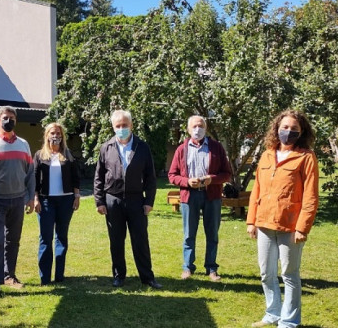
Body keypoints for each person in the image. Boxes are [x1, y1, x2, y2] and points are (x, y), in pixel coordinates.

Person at [246, 110, 319, 328]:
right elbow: (256, 189)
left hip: (290, 225)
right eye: (285, 127)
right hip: (264, 223)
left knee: (289, 274)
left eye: (294, 129)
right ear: (277, 129)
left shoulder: (306, 157)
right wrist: (251, 221)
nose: (288, 132)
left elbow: (311, 195)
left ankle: (289, 321)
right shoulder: (268, 154)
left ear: (302, 132)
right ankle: (272, 313)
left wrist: (302, 227)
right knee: (266, 273)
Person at [94, 110, 162, 289]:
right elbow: (99, 177)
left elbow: (150, 177)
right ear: (113, 127)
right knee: (116, 240)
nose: (122, 128)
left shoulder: (142, 147)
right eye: (118, 126)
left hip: (136, 200)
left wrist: (149, 201)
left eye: (125, 125)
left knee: (140, 239)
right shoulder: (106, 147)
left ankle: (147, 277)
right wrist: (99, 201)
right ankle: (118, 276)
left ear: (131, 125)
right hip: (112, 200)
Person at [0, 106, 35, 301]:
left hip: (18, 200)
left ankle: (9, 275)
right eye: (5, 118)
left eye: (12, 118)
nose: (8, 121)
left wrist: (30, 197)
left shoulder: (23, 144)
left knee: (13, 240)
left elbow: (30, 172)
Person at [168, 115, 232, 282]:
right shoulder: (181, 149)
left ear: (206, 128)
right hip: (189, 196)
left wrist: (213, 179)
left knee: (212, 234)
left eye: (201, 126)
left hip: (212, 196)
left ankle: (211, 268)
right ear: (189, 129)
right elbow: (172, 175)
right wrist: (187, 181)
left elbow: (227, 173)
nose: (198, 129)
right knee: (189, 234)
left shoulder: (216, 148)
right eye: (194, 126)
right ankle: (188, 268)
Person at [33, 123, 81, 285]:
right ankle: (45, 278)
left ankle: (59, 276)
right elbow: (34, 179)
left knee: (61, 237)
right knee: (45, 239)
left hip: (66, 201)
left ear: (62, 136)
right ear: (47, 135)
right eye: (52, 133)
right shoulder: (39, 155)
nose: (56, 136)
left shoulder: (68, 155)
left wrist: (76, 196)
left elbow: (76, 177)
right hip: (46, 201)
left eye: (58, 133)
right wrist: (35, 198)